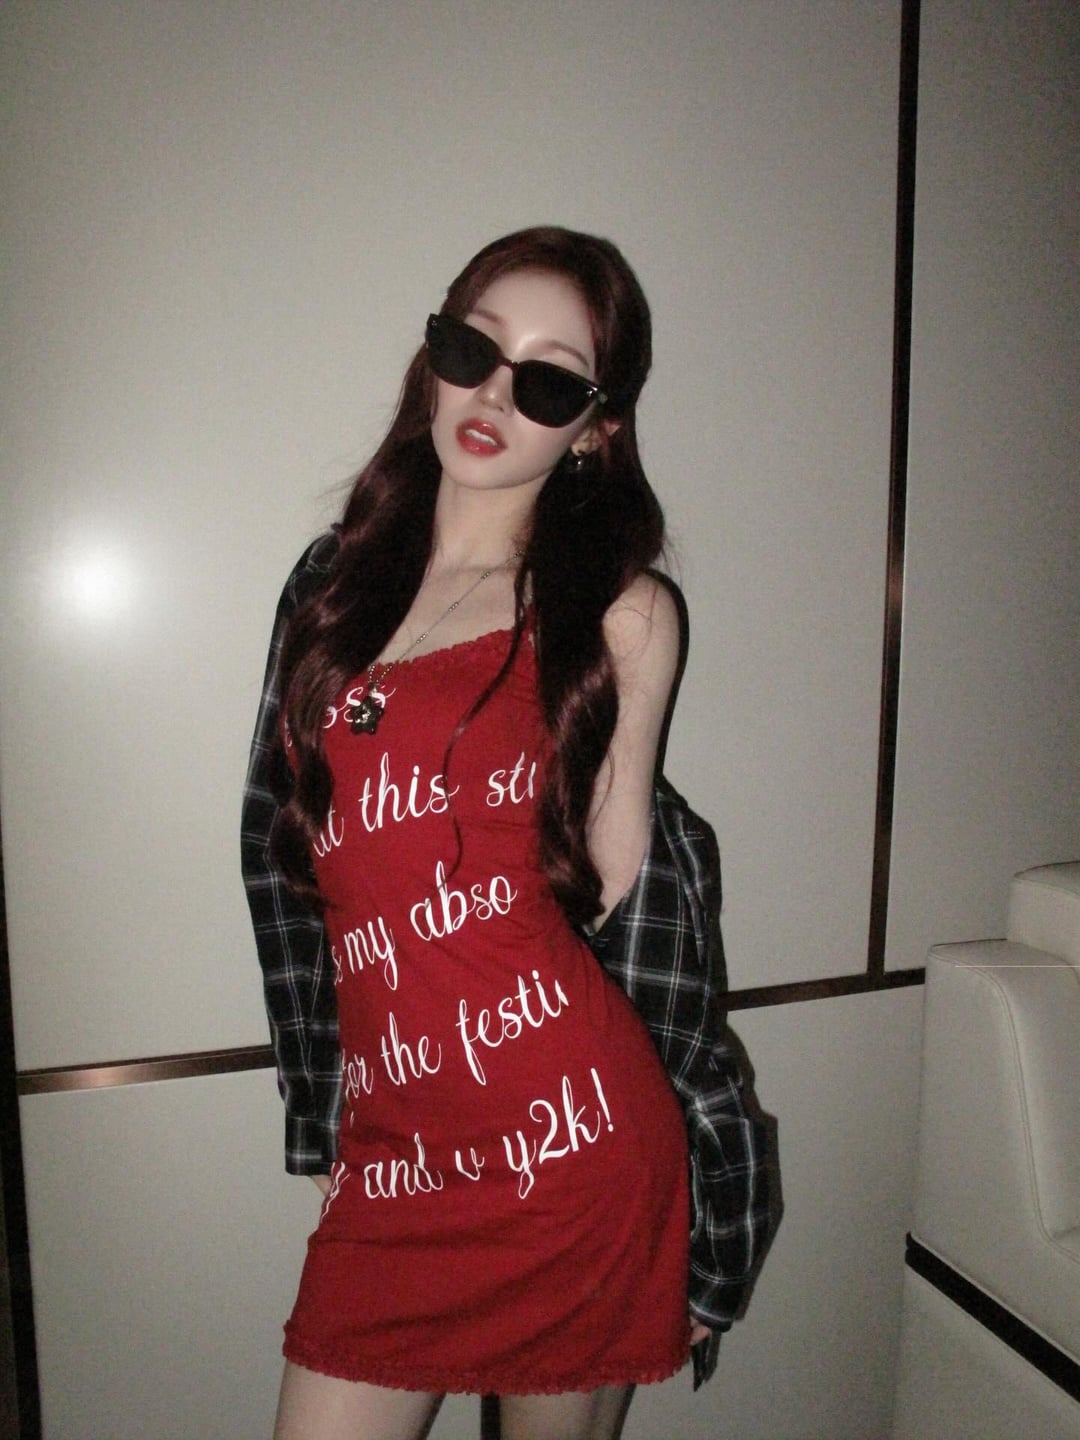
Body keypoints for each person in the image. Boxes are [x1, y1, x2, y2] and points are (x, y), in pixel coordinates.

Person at [241, 226, 768, 1440]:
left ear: (595, 427)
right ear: (433, 356)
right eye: (472, 349)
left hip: (574, 1158)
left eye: (548, 381)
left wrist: (721, 1190)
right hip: (395, 1158)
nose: (494, 395)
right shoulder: (330, 584)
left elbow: (639, 916)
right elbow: (278, 864)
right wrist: (325, 1111)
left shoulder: (623, 616)